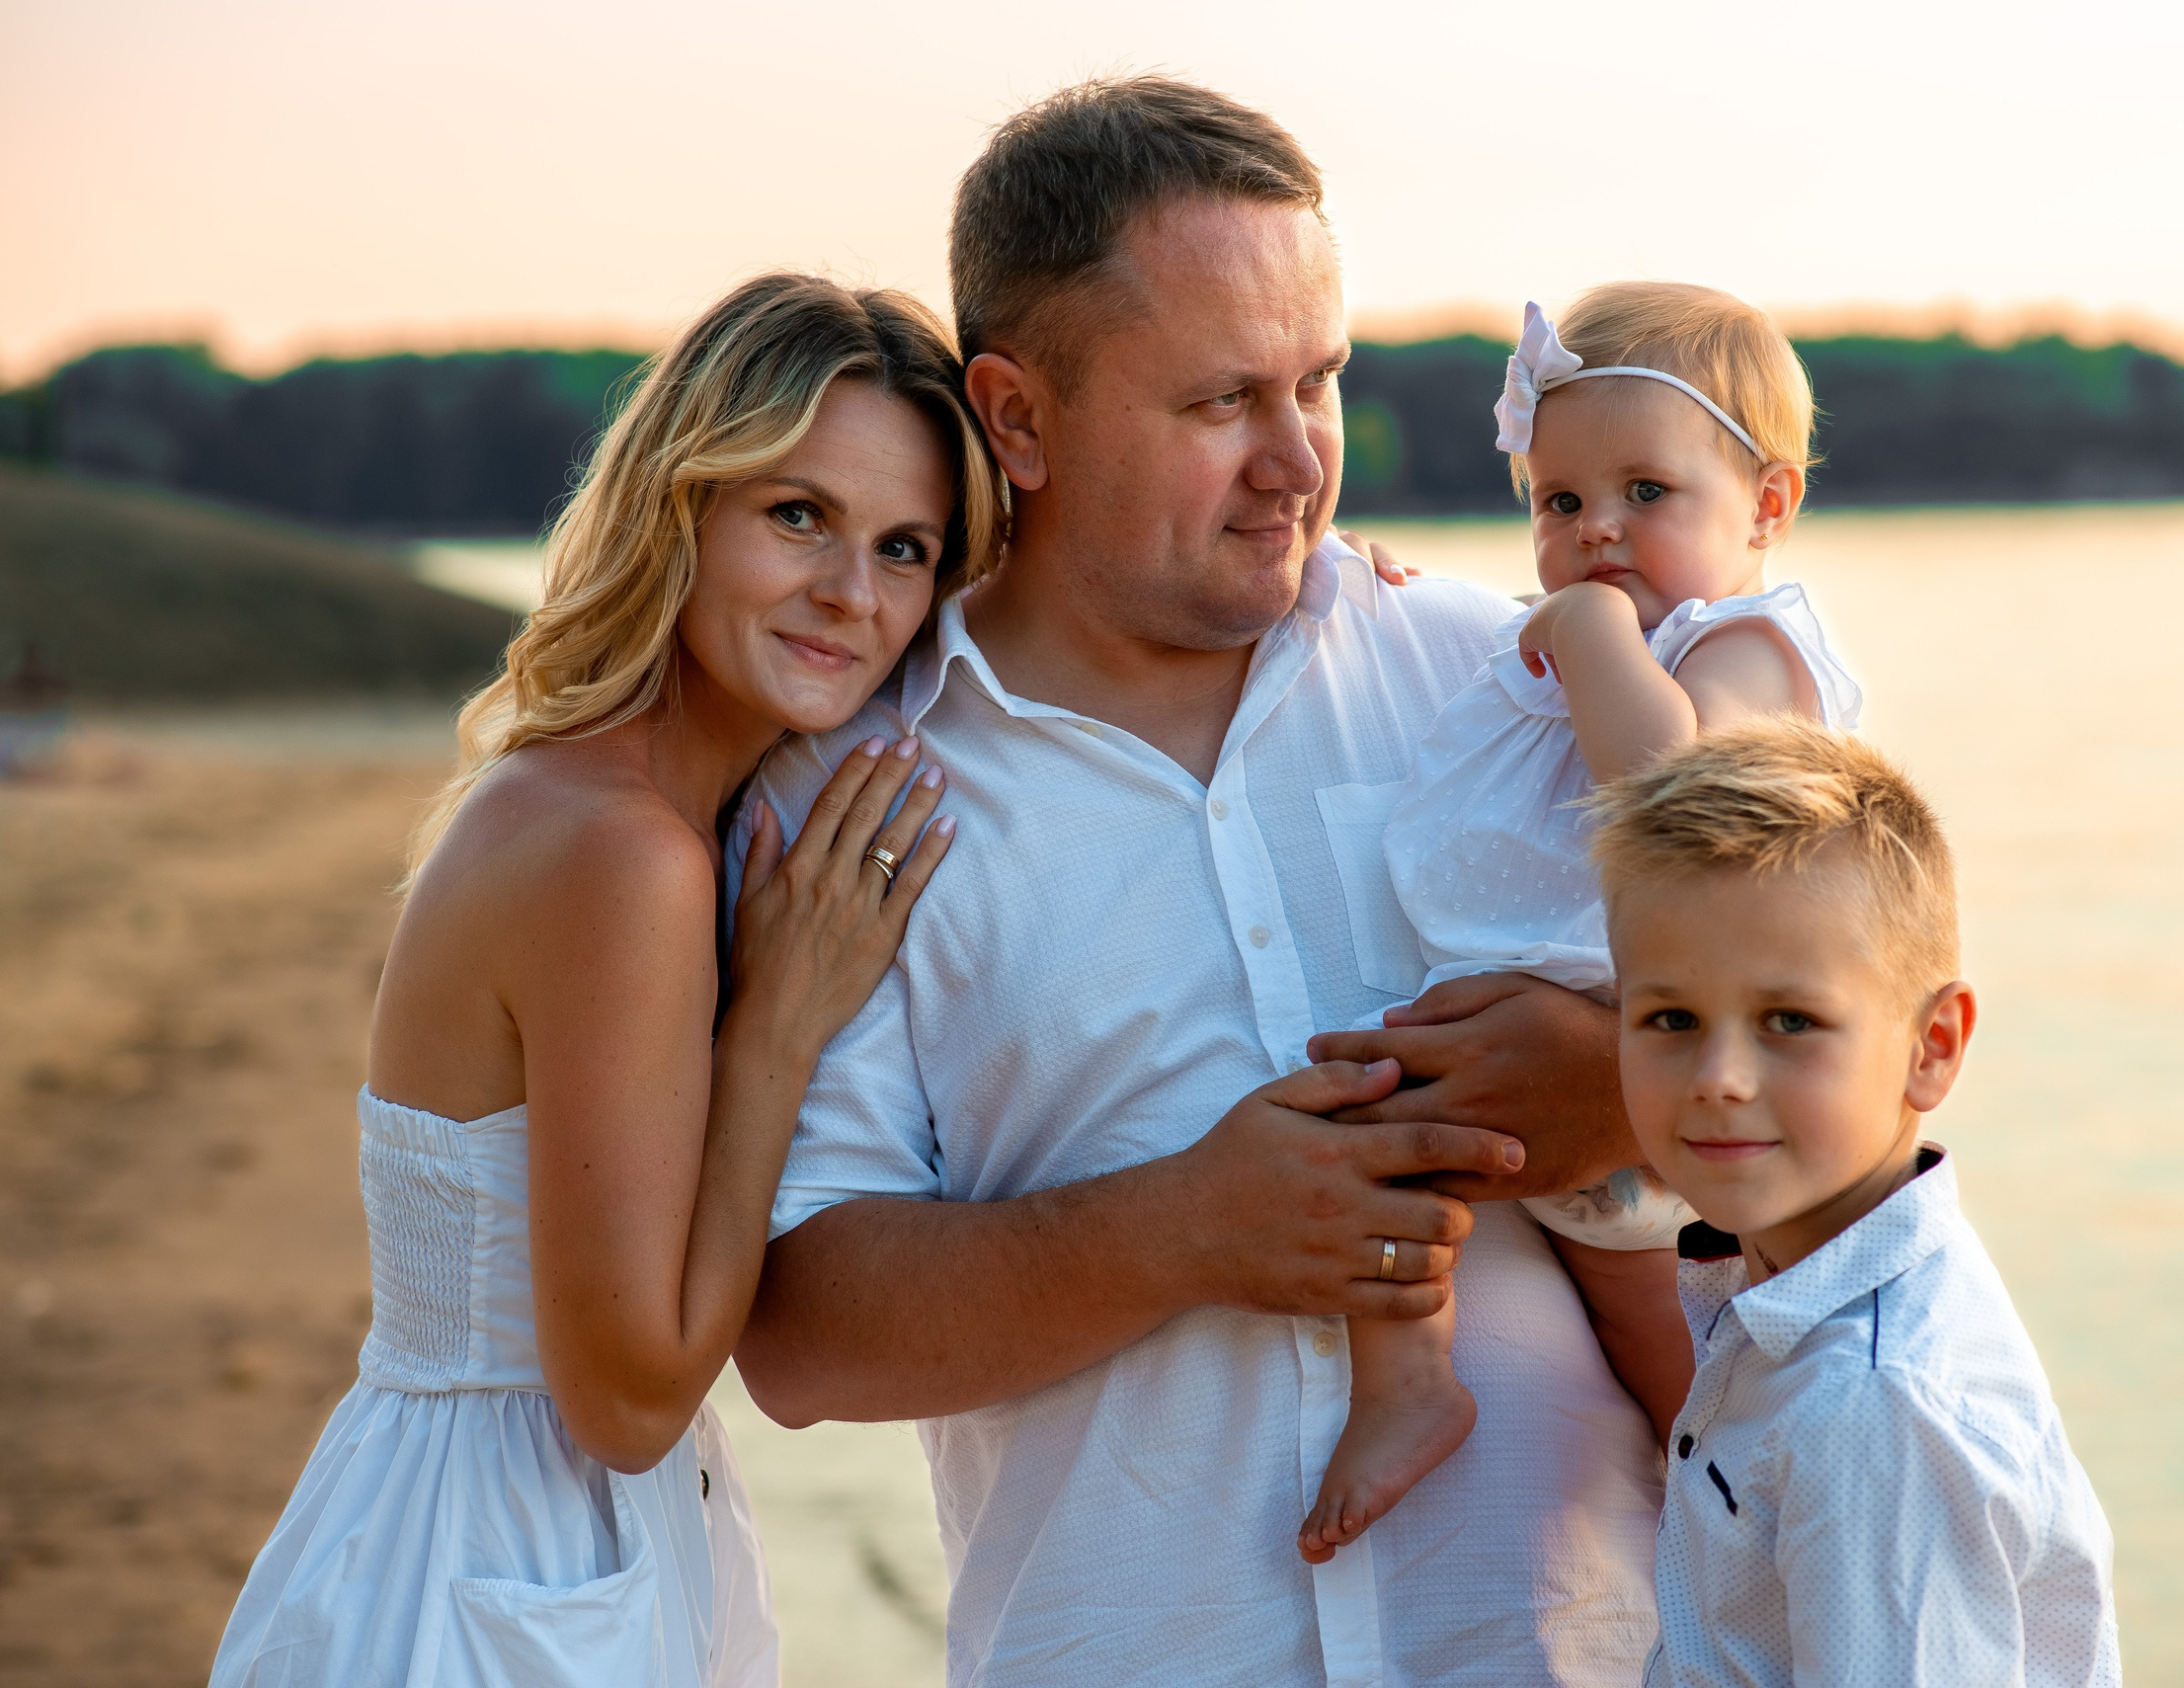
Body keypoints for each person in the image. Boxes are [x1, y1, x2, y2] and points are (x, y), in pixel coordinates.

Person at [729, 78, 1664, 1686]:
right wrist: (1183, 1226)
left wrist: (1626, 1086)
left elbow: (1869, 1045)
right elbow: (806, 1333)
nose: (1298, 460)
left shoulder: (1508, 684)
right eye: (1223, 400)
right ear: (1017, 419)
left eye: (1321, 379)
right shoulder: (843, 801)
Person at [208, 275, 992, 1687]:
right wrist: (780, 1028)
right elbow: (628, 1397)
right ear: (681, 503)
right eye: (797, 514)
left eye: (905, 546)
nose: (849, 593)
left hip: (481, 1521)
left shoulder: (602, 799)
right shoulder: (626, 858)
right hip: (505, 1562)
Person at [1301, 283, 1866, 1560]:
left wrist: (1587, 624)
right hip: (1561, 1146)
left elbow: (1669, 799)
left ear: (1766, 506)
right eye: (1561, 505)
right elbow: (1516, 697)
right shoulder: (1600, 640)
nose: (1597, 532)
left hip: (1670, 1097)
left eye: (1645, 495)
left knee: (1697, 1394)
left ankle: (1768, 1548)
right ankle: (1409, 1378)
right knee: (1390, 1127)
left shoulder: (1751, 647)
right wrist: (1403, 591)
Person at [1592, 719, 2120, 1687]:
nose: (1718, 1076)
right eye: (1671, 1017)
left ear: (1932, 1045)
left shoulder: (1870, 1405)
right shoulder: (1788, 1292)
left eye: (1788, 1020)